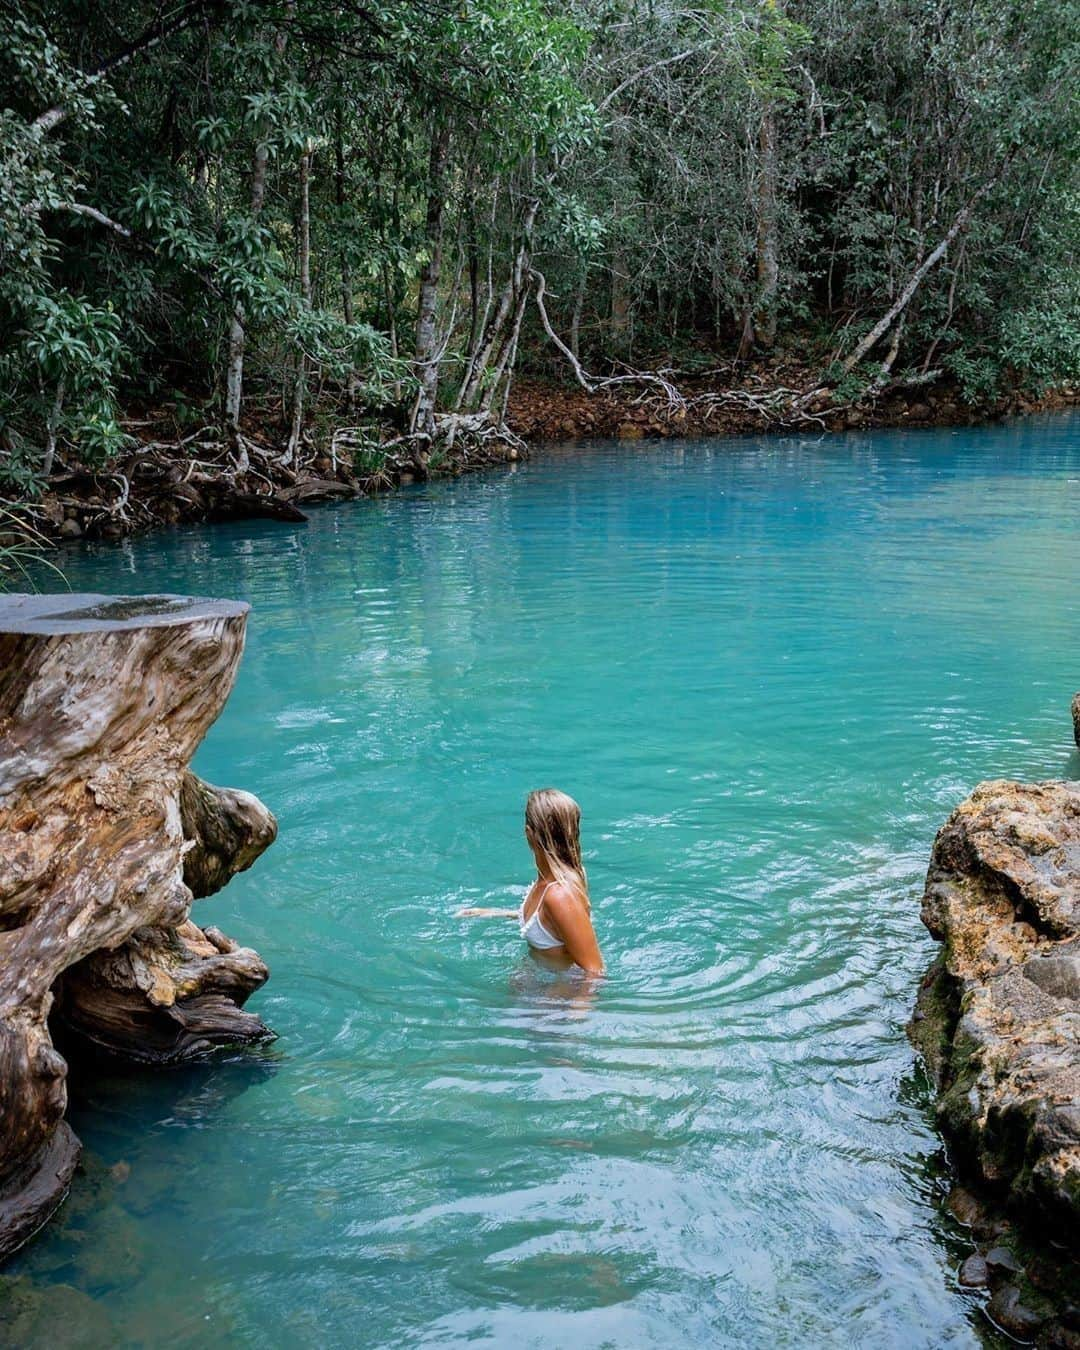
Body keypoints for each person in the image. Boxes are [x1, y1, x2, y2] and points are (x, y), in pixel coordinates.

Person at [457, 788, 604, 974]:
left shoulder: (559, 895)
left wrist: (563, 1000)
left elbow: (595, 971)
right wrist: (494, 913)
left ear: (529, 833)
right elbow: (552, 925)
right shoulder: (551, 880)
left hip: (552, 999)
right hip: (538, 989)